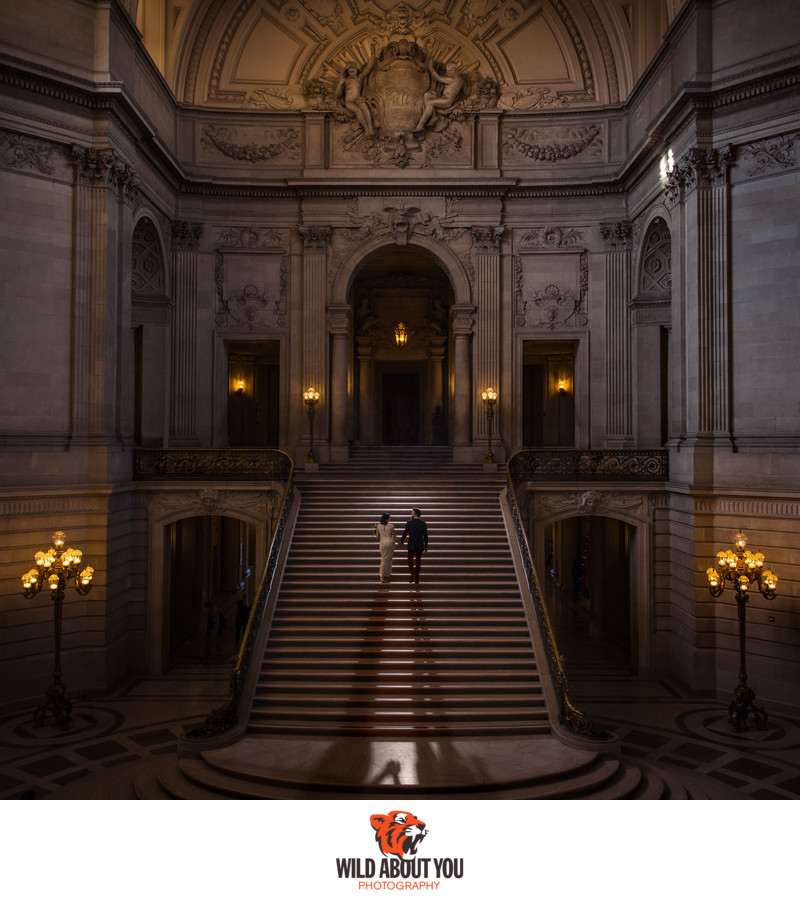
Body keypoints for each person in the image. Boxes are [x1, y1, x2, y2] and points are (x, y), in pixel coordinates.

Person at [401, 507, 428, 584]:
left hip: (411, 544)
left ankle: (412, 573)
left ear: (415, 514)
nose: (411, 513)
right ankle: (417, 577)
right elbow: (425, 535)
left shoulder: (409, 523)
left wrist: (402, 541)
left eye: (412, 512)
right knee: (418, 561)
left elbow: (405, 533)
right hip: (420, 544)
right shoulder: (423, 523)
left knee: (410, 560)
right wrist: (426, 545)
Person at [376, 512, 398, 582]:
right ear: (386, 519)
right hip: (390, 542)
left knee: (384, 558)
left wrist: (381, 534)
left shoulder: (378, 526)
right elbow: (394, 537)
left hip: (382, 542)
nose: (390, 518)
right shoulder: (391, 526)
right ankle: (385, 574)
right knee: (388, 558)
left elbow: (377, 536)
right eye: (389, 517)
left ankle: (383, 574)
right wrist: (399, 542)